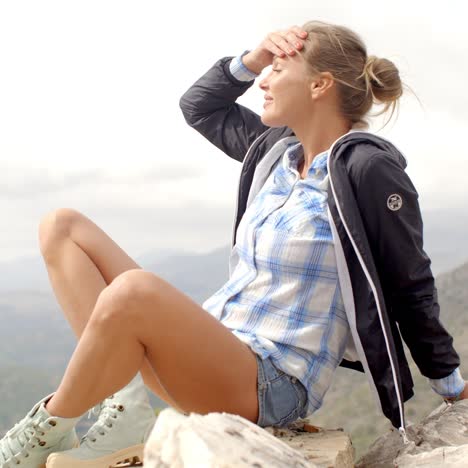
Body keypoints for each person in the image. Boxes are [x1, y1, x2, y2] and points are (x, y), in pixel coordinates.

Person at [0, 20, 466, 468]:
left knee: (133, 291)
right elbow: (200, 106)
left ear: (320, 86)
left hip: (271, 382)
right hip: (212, 351)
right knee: (63, 227)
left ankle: (46, 425)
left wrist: (451, 387)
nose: (263, 79)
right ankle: (126, 412)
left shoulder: (367, 171)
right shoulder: (275, 153)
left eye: (277, 69)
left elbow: (411, 282)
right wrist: (252, 56)